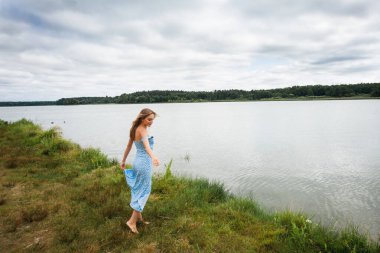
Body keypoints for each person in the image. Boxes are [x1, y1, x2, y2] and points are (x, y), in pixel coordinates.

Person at [120, 108, 160, 234]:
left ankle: (139, 217)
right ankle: (131, 222)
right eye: (149, 119)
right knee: (145, 191)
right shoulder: (142, 130)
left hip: (137, 162)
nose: (151, 122)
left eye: (153, 119)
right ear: (142, 118)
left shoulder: (134, 128)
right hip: (144, 164)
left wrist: (123, 160)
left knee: (139, 189)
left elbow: (128, 146)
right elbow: (147, 147)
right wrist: (153, 157)